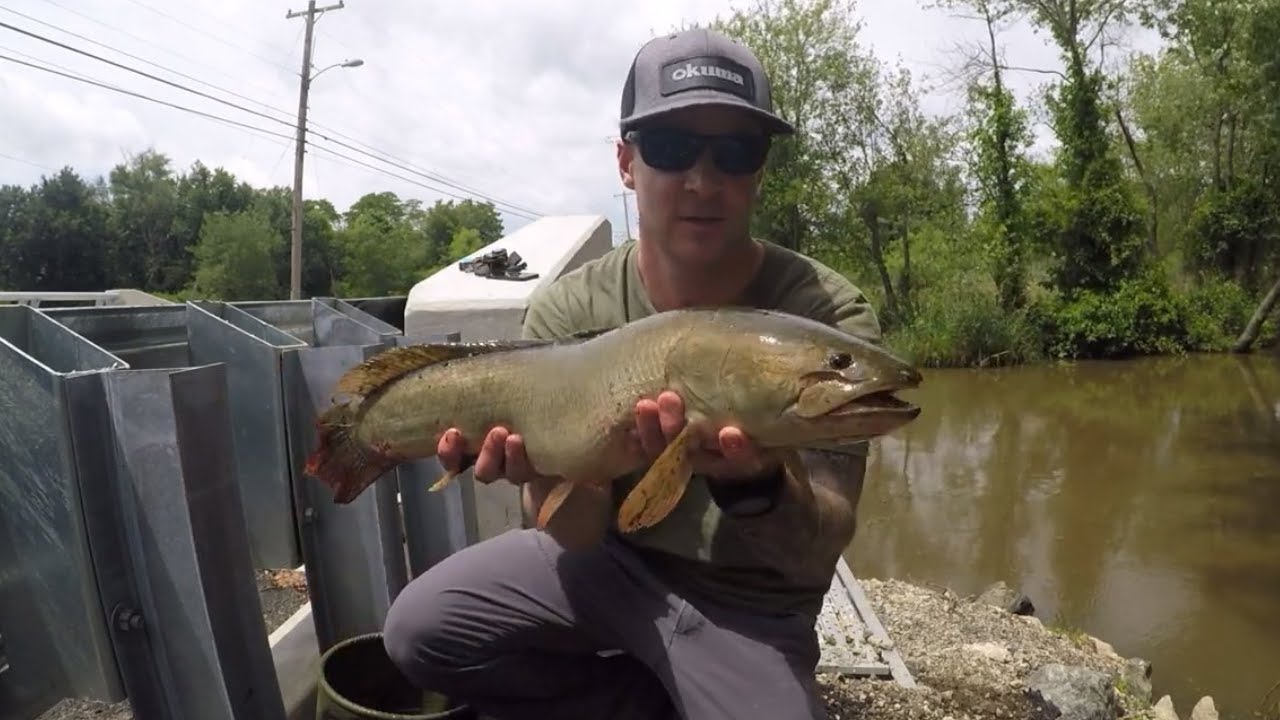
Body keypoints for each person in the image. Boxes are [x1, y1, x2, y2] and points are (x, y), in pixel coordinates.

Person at [383, 26, 883, 720]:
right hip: (606, 567)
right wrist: (547, 474)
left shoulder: (827, 317)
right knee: (418, 632)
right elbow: (572, 531)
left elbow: (815, 550)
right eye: (672, 149)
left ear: (761, 170)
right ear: (626, 161)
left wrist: (757, 484)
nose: (703, 180)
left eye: (736, 152)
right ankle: (635, 701)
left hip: (750, 603)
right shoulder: (571, 306)